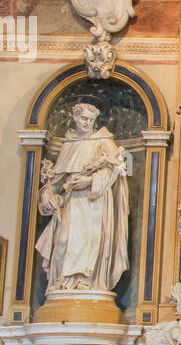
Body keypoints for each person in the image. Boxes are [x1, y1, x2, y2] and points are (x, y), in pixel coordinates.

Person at [35, 101, 129, 293]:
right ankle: (62, 282)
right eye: (83, 118)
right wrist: (49, 194)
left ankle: (88, 280)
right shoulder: (69, 142)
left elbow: (116, 171)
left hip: (95, 202)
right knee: (62, 240)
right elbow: (57, 181)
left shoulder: (104, 140)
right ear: (74, 117)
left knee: (91, 241)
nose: (87, 123)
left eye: (91, 119)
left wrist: (90, 181)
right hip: (72, 201)